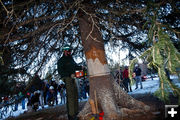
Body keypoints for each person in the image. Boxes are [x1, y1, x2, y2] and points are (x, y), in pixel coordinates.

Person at [57, 44, 83, 120]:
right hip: (67, 79)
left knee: (75, 95)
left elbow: (75, 66)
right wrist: (69, 75)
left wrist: (81, 67)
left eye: (70, 51)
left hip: (74, 78)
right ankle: (71, 115)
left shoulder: (71, 59)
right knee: (70, 97)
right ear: (64, 51)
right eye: (68, 51)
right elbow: (60, 71)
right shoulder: (61, 60)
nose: (70, 52)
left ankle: (76, 112)